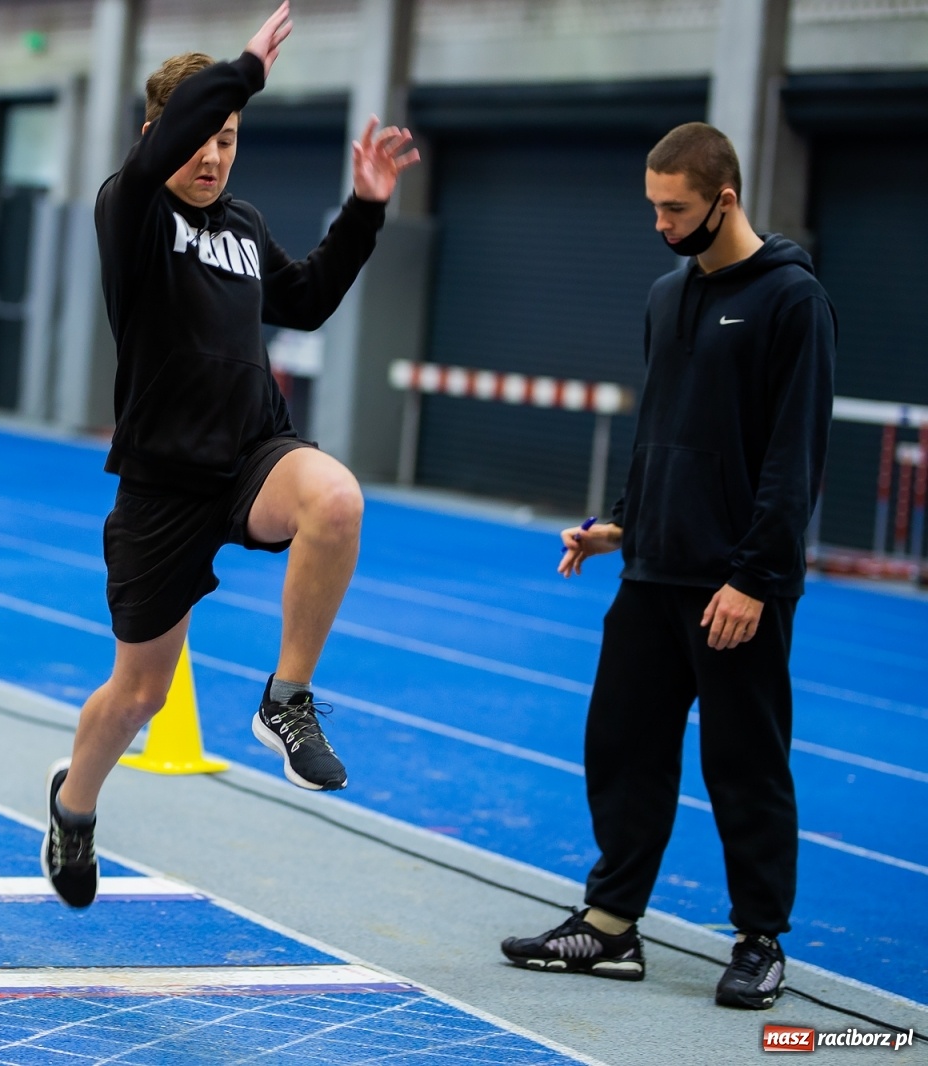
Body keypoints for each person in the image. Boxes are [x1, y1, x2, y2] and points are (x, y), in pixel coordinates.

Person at [42, 1, 421, 909]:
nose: (214, 156)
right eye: (201, 137)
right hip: (162, 485)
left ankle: (286, 698)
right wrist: (243, 69)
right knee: (138, 694)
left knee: (337, 499)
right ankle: (74, 805)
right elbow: (169, 146)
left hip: (253, 454)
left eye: (231, 139)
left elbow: (310, 299)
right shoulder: (127, 209)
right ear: (157, 137)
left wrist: (365, 211)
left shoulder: (243, 228)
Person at [499, 121, 836, 1010]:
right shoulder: (664, 294)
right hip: (651, 572)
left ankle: (760, 940)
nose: (659, 223)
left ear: (723, 200)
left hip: (736, 587)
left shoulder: (791, 301)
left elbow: (791, 457)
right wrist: (620, 523)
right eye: (652, 205)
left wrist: (757, 578)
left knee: (745, 763)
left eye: (674, 208)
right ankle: (610, 929)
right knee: (620, 745)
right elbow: (666, 432)